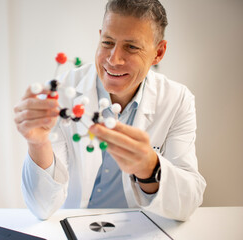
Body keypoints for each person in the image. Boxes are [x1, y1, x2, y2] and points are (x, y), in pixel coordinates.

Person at [14, 0, 206, 221]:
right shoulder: (63, 93)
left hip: (142, 228)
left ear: (158, 52)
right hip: (74, 225)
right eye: (107, 42)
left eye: (132, 47)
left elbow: (188, 203)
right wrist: (38, 144)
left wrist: (149, 169)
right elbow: (41, 208)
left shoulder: (177, 100)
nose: (114, 59)